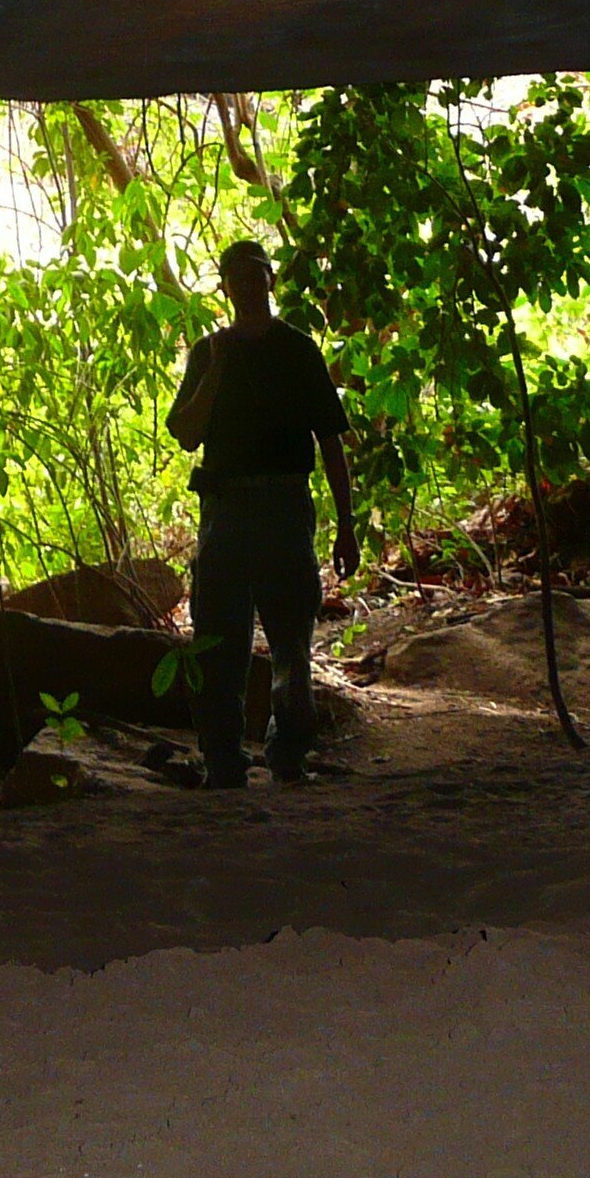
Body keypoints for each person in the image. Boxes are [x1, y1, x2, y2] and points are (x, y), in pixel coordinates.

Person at [166, 238, 357, 788]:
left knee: (291, 639)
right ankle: (223, 760)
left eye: (256, 275)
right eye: (236, 277)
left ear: (270, 281)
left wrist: (346, 525)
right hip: (224, 510)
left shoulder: (297, 350)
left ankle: (289, 754)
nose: (247, 287)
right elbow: (185, 433)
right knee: (219, 639)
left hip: (282, 505)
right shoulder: (209, 353)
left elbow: (331, 441)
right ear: (224, 286)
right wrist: (217, 369)